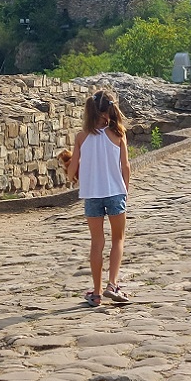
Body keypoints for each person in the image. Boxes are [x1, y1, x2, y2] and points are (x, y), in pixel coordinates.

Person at [68, 90, 132, 307]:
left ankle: (95, 293)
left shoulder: (81, 137)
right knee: (118, 239)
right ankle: (112, 285)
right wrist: (126, 189)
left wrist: (75, 172)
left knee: (97, 243)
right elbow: (126, 166)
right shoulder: (119, 134)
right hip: (115, 192)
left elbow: (71, 172)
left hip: (91, 195)